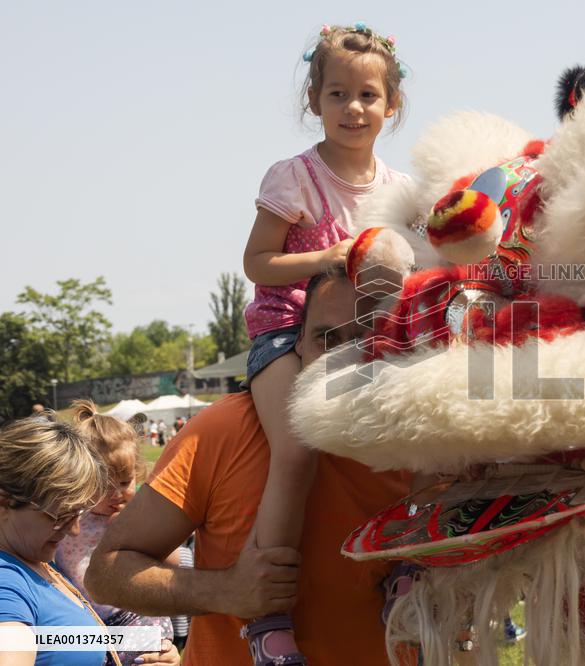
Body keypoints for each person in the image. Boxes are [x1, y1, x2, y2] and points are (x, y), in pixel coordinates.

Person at [85, 270, 411, 666]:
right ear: (299, 346)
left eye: (366, 338)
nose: (345, 359)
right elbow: (106, 571)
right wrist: (223, 590)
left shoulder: (425, 450)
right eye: (328, 338)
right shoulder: (223, 430)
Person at [238, 22, 410, 665]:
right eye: (337, 94)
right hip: (285, 329)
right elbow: (257, 264)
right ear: (315, 100)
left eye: (367, 95)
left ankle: (404, 567)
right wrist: (326, 259)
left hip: (367, 339)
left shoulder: (399, 191)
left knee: (421, 431)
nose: (353, 108)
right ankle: (267, 613)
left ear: (390, 107)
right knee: (297, 450)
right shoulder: (294, 178)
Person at [0, 417, 179, 666]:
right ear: (5, 503)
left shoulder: (33, 560)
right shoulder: (6, 585)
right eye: (60, 516)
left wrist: (149, 648)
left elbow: (54, 640)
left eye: (78, 514)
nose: (74, 530)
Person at [55, 400, 182, 666]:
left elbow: (173, 563)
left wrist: (144, 528)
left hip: (139, 616)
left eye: (124, 483)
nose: (115, 494)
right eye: (103, 486)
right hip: (91, 623)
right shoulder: (70, 520)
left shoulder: (140, 514)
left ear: (137, 473)